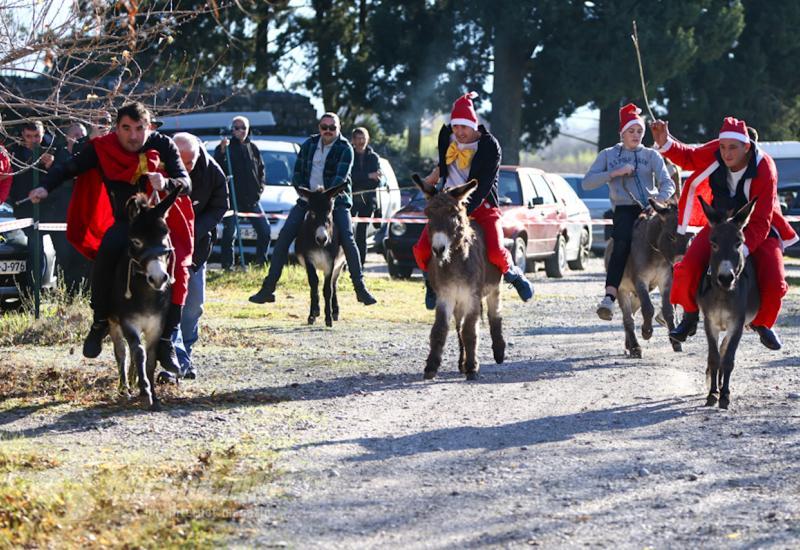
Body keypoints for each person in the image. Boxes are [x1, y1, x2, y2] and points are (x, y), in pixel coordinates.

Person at [28, 102, 194, 373]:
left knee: (178, 267)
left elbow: (186, 182)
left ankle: (166, 340)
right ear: (117, 128)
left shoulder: (163, 144)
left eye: (139, 129)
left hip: (155, 223)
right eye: (126, 129)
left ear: (148, 127)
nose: (133, 136)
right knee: (106, 254)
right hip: (124, 224)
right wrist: (45, 187)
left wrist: (167, 183)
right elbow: (69, 168)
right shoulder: (102, 147)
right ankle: (100, 322)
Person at [651, 116, 798, 350]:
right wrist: (665, 142)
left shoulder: (765, 168)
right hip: (719, 227)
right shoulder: (718, 151)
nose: (726, 153)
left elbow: (761, 221)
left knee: (775, 279)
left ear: (746, 146)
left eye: (733, 148)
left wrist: (742, 250)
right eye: (722, 147)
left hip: (758, 227)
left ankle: (763, 324)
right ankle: (689, 317)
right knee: (687, 267)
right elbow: (689, 157)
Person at [413, 92, 533, 309]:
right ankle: (431, 284)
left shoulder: (490, 146)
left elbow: (485, 184)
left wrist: (464, 208)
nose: (459, 132)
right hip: (448, 206)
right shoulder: (446, 136)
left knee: (496, 251)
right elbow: (444, 163)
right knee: (421, 249)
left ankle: (513, 275)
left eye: (464, 127)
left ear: (474, 125)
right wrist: (434, 177)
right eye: (456, 126)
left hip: (482, 203)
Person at [249, 112, 377, 306]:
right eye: (324, 127)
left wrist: (323, 196)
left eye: (332, 127)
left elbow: (340, 179)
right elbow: (298, 173)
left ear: (339, 128)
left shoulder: (345, 148)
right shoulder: (308, 145)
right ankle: (268, 289)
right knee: (285, 236)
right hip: (308, 199)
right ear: (319, 127)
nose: (327, 131)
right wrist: (304, 193)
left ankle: (360, 288)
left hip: (336, 200)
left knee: (348, 239)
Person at [582, 103, 675, 320]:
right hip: (624, 209)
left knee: (673, 240)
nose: (636, 135)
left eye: (640, 131)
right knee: (621, 242)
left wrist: (659, 201)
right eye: (631, 131)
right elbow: (587, 183)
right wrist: (614, 172)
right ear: (622, 132)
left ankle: (671, 302)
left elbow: (667, 184)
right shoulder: (608, 155)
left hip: (651, 210)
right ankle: (610, 296)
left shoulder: (652, 156)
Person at [170, 132, 228, 380]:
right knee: (170, 305)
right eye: (179, 162)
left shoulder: (213, 172)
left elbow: (220, 206)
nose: (184, 169)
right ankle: (176, 359)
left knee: (193, 306)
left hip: (196, 247)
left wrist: (194, 229)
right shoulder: (163, 165)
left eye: (189, 163)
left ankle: (186, 352)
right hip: (167, 247)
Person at [213, 115, 270, 269]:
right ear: (232, 129)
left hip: (252, 199)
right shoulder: (225, 147)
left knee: (265, 230)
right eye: (237, 128)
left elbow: (261, 170)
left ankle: (260, 263)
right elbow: (217, 169)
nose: (240, 131)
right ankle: (227, 266)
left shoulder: (253, 148)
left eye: (243, 127)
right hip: (232, 199)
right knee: (229, 233)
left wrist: (260, 189)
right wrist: (222, 152)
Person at [47, 122, 92, 296]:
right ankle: (68, 294)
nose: (79, 138)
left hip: (85, 215)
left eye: (82, 135)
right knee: (66, 257)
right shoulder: (58, 156)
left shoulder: (90, 156)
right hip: (62, 217)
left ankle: (85, 294)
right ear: (67, 137)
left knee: (85, 259)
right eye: (76, 135)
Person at [350, 127, 383, 266]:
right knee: (347, 231)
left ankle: (360, 264)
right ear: (353, 140)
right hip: (351, 198)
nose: (361, 141)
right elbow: (350, 177)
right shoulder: (349, 154)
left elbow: (376, 181)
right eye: (358, 138)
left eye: (363, 138)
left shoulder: (373, 157)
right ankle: (346, 262)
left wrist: (365, 178)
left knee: (361, 233)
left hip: (368, 200)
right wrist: (368, 176)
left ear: (367, 139)